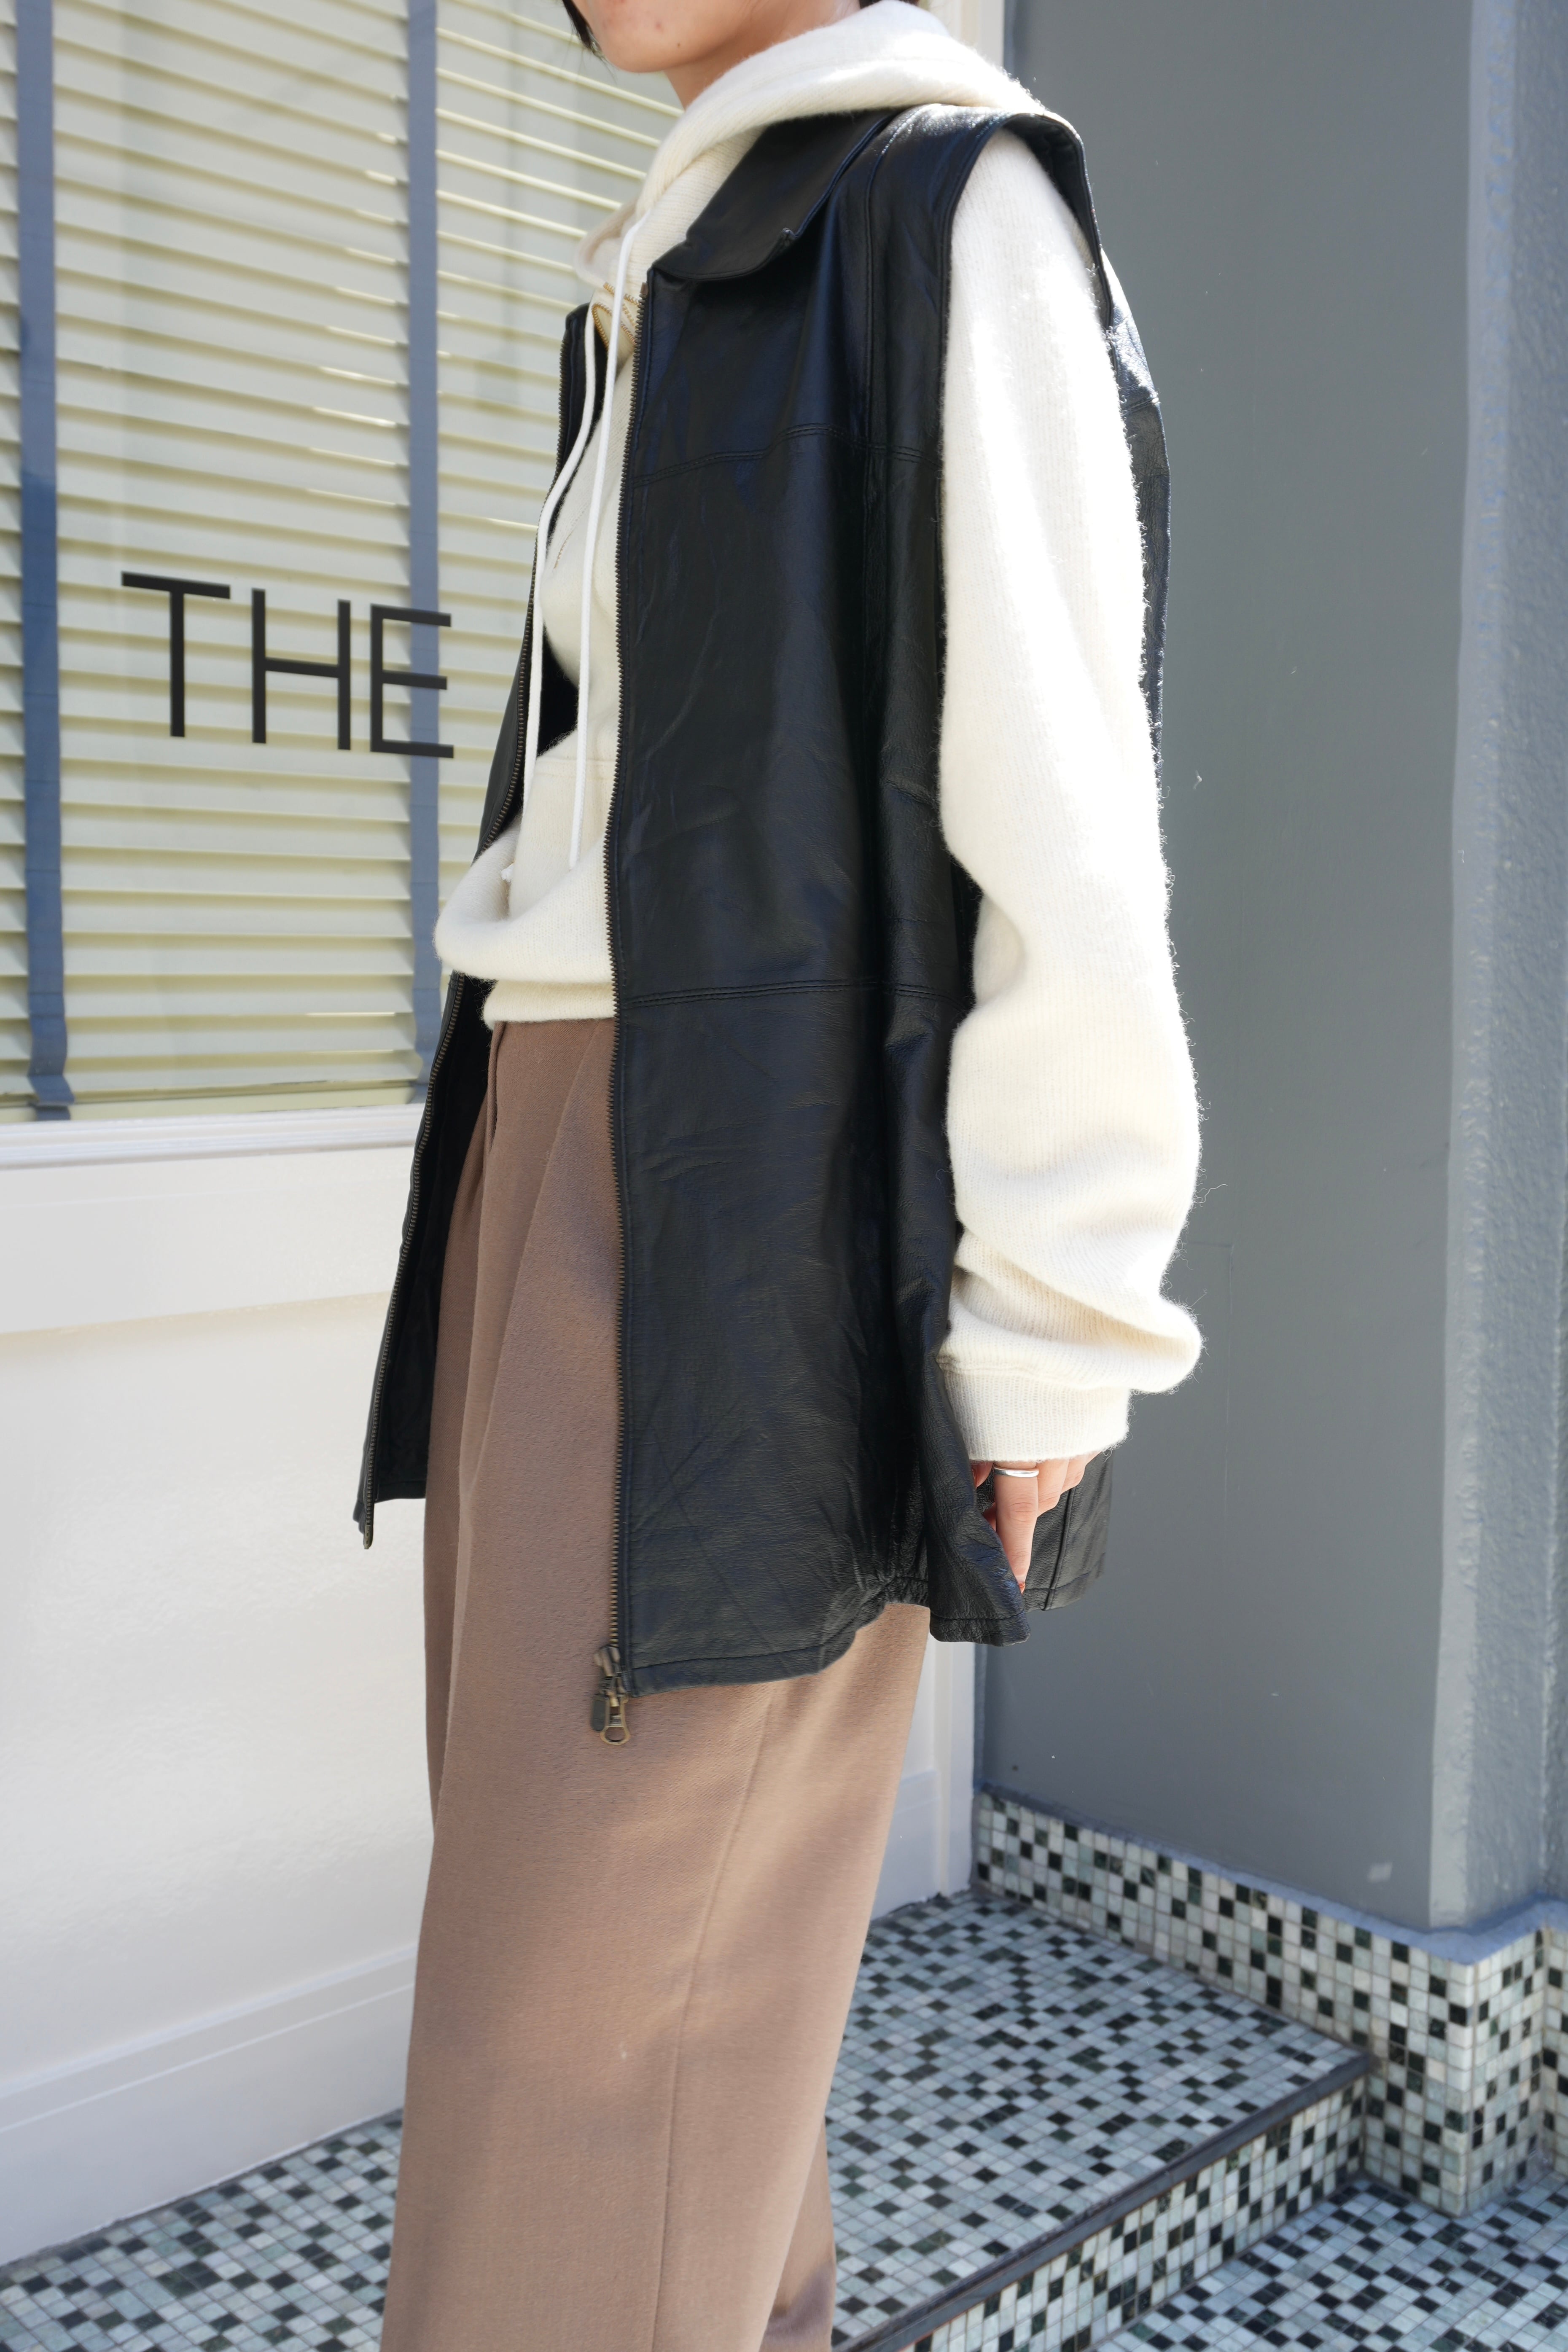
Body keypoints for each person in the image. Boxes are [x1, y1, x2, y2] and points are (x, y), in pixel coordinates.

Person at [358, 0, 1202, 2343]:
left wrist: (1058, 1311)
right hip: (554, 1145)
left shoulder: (942, 202)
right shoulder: (692, 238)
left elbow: (1064, 794)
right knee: (646, 2030)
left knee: (575, 2059)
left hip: (743, 1203)